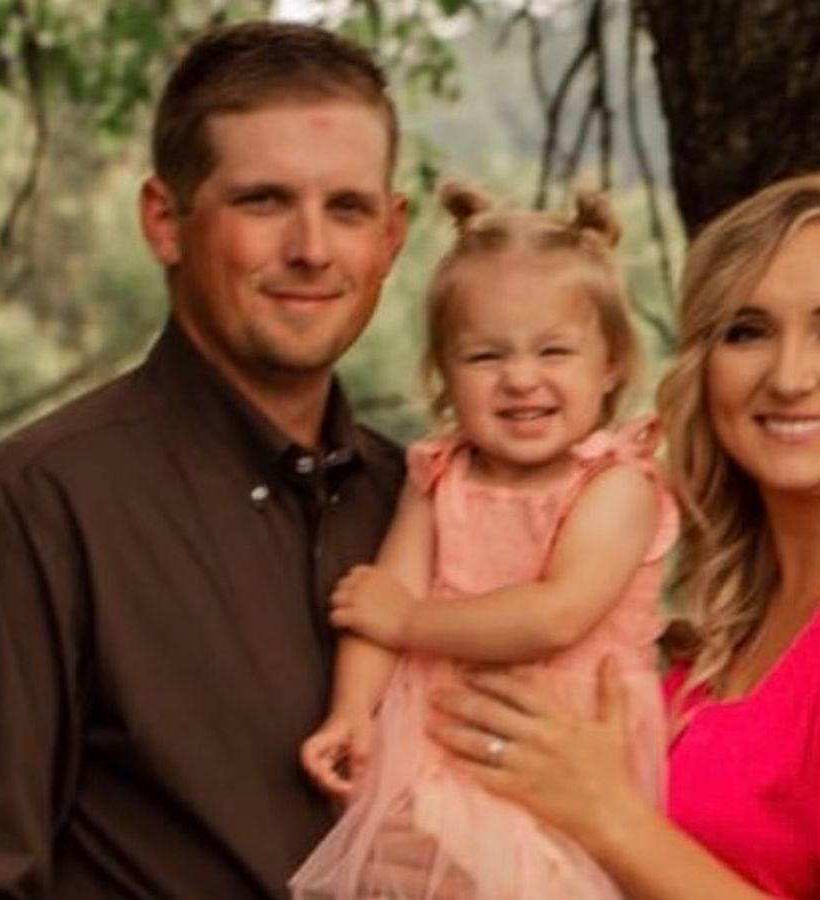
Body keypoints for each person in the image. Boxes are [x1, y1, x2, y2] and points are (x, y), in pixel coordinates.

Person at [430, 171, 820, 898]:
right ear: (704, 369)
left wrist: (610, 819)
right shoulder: (736, 621)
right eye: (747, 332)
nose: (790, 377)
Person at [0, 21, 409, 897]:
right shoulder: (33, 511)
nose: (312, 249)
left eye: (347, 208)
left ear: (392, 234)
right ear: (165, 221)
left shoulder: (425, 501)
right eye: (264, 202)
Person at [288, 182, 679, 899]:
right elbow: (382, 597)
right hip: (435, 741)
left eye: (554, 351)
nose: (521, 379)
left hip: (561, 748)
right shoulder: (441, 474)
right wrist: (351, 710)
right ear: (444, 373)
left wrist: (410, 622)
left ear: (611, 365)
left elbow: (555, 615)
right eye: (485, 357)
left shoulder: (617, 484)